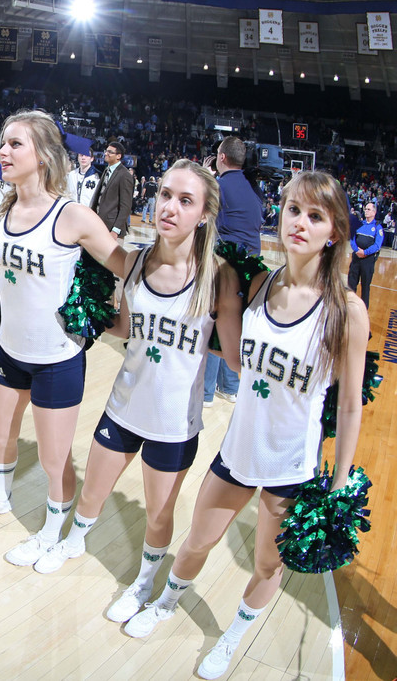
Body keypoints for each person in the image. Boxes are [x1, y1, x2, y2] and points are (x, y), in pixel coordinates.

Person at [123, 171, 368, 681]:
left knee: (265, 565)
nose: (300, 222)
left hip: (290, 465)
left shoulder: (347, 310)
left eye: (316, 216)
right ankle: (166, 602)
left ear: (335, 232)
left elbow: (348, 405)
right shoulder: (258, 282)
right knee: (195, 542)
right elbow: (227, 350)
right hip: (236, 452)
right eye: (294, 209)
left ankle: (232, 639)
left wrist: (340, 479)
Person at [27, 162, 233, 613]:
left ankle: (143, 583)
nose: (170, 208)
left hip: (174, 425)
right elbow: (126, 326)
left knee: (159, 515)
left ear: (203, 215)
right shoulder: (136, 260)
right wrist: (83, 314)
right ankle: (74, 541)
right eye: (164, 194)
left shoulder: (219, 277)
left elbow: (234, 353)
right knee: (93, 491)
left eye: (185, 201)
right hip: (123, 408)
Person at [0, 111, 125, 560]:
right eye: (3, 143)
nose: (3, 151)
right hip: (8, 348)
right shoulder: (3, 208)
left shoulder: (71, 215)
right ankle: (0, 496)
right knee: (1, 437)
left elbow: (125, 266)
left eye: (15, 144)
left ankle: (53, 531)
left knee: (54, 460)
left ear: (43, 156)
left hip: (57, 358)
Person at [202, 136, 264, 406]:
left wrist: (206, 177)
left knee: (214, 321)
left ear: (222, 157)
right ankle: (229, 387)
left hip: (225, 263)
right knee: (237, 325)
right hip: (252, 266)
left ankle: (205, 392)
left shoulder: (219, 186)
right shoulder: (253, 189)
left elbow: (201, 218)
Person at [92, 141, 133, 240]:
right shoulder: (107, 170)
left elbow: (126, 206)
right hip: (100, 224)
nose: (106, 154)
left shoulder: (124, 175)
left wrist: (116, 230)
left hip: (112, 230)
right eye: (106, 151)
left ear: (118, 156)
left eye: (110, 152)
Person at [348, 200, 383, 310]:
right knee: (351, 284)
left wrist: (365, 252)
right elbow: (352, 238)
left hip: (367, 261)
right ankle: (349, 308)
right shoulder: (359, 224)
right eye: (365, 209)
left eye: (368, 209)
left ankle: (363, 311)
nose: (366, 211)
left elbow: (377, 245)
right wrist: (357, 250)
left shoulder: (378, 227)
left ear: (374, 212)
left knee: (365, 287)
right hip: (356, 259)